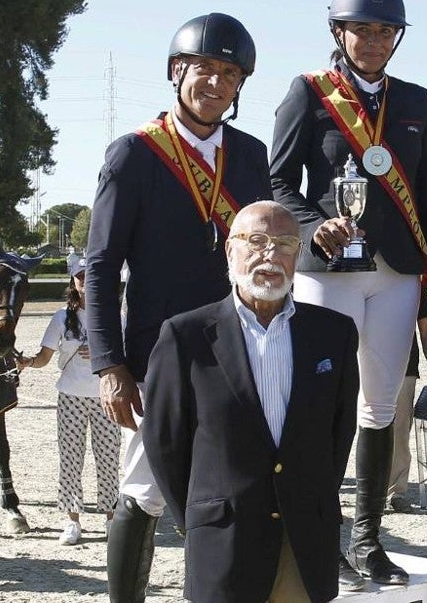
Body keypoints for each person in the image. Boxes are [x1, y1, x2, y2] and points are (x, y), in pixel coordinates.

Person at [270, 0, 427, 589]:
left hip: (398, 271)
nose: (373, 41)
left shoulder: (416, 101)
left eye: (385, 32)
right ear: (338, 32)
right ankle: (319, 538)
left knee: (381, 406)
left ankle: (368, 538)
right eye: (362, 30)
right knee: (322, 402)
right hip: (328, 270)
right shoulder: (308, 93)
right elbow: (276, 184)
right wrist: (313, 222)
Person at [84, 12, 271, 602]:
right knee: (146, 489)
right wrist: (110, 365)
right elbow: (101, 265)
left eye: (229, 73)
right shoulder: (134, 154)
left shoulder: (249, 154)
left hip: (235, 351)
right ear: (175, 72)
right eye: (203, 70)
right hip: (155, 353)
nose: (215, 83)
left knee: (229, 487)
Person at [142, 201, 359, 603]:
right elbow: (165, 442)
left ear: (298, 254)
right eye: (256, 241)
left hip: (304, 545)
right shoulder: (185, 336)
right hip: (224, 543)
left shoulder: (335, 334)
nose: (270, 255)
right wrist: (201, 513)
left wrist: (309, 497)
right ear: (230, 251)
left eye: (284, 243)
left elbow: (339, 433)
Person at [16, 256, 120, 545]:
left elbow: (127, 357)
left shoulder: (113, 316)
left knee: (109, 458)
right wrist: (25, 362)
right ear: (73, 281)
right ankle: (72, 519)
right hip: (71, 395)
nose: (85, 280)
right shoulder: (61, 318)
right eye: (80, 276)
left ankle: (111, 517)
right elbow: (45, 357)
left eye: (90, 275)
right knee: (71, 459)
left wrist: (103, 356)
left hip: (104, 396)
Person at [386, 295, 427, 514]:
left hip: (405, 363)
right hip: (363, 360)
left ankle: (395, 491)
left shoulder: (415, 282)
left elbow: (425, 328)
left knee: (400, 430)